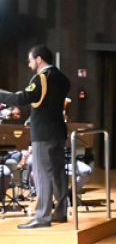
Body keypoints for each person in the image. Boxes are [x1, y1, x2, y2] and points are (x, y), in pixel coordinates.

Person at [0, 45, 70, 228]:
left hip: (43, 133)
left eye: (30, 59)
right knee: (58, 173)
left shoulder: (42, 78)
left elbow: (23, 98)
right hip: (58, 130)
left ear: (39, 59)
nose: (29, 62)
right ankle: (61, 212)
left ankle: (42, 216)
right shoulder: (63, 78)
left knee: (42, 175)